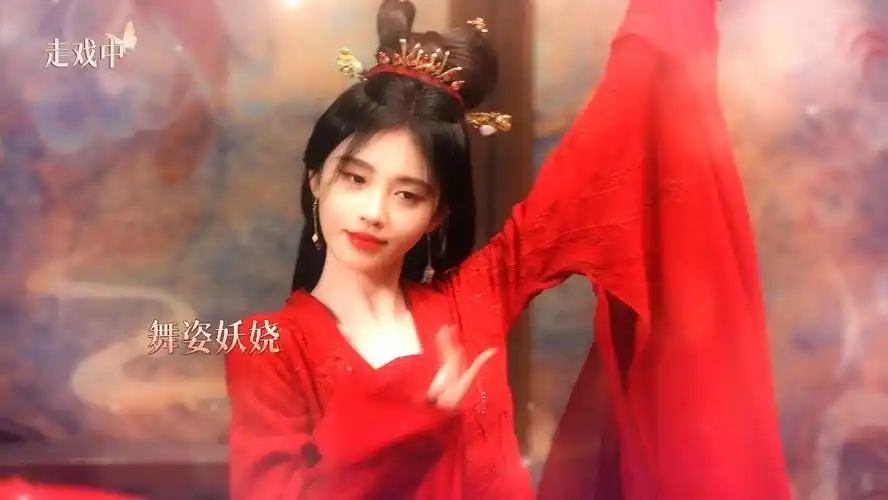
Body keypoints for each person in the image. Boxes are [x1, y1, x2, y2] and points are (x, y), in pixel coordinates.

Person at [225, 0, 794, 498]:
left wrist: (658, 28)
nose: (374, 211)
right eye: (355, 179)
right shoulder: (269, 348)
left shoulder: (471, 301)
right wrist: (408, 424)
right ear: (316, 179)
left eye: (407, 194)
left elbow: (596, 159)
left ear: (437, 215)